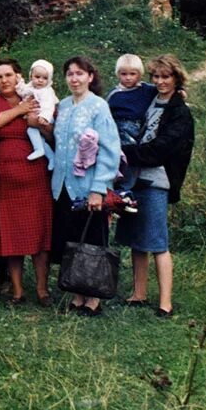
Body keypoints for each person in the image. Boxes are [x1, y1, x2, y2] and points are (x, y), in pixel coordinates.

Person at [114, 55, 194, 317]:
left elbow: (162, 149)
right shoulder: (152, 99)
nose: (160, 81)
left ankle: (165, 303)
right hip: (135, 177)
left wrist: (125, 153)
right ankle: (138, 294)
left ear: (176, 78)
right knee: (137, 239)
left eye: (166, 77)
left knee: (158, 241)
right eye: (156, 76)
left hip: (157, 179)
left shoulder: (179, 110)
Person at [0, 58, 52, 306]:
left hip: (34, 179)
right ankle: (17, 291)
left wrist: (38, 125)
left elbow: (51, 130)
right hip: (3, 183)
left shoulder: (36, 96)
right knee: (12, 238)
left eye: (8, 75)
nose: (4, 80)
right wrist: (19, 112)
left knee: (39, 237)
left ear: (19, 76)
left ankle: (42, 290)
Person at [47, 56, 121, 316]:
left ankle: (94, 298)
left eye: (80, 73)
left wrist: (98, 187)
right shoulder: (64, 106)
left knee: (92, 239)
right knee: (72, 240)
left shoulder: (99, 107)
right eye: (70, 74)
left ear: (90, 77)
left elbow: (110, 148)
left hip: (88, 186)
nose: (74, 79)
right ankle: (78, 293)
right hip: (63, 186)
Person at [20, 60, 58, 166]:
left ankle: (40, 150)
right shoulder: (30, 87)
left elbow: (48, 105)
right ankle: (50, 156)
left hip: (46, 116)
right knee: (34, 134)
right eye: (37, 77)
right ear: (31, 75)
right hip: (36, 116)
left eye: (45, 78)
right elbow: (22, 91)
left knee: (31, 130)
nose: (40, 80)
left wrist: (44, 116)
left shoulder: (47, 91)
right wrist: (19, 82)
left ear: (49, 79)